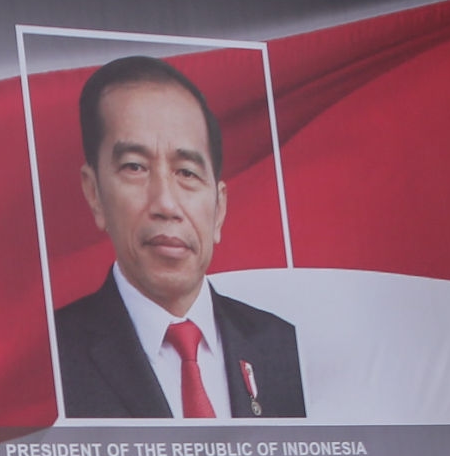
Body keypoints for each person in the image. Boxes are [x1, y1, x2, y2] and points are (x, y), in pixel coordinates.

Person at [52, 54, 305, 421]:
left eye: (187, 173)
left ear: (219, 209)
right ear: (95, 194)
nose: (166, 205)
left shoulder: (285, 349)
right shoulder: (50, 360)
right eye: (135, 167)